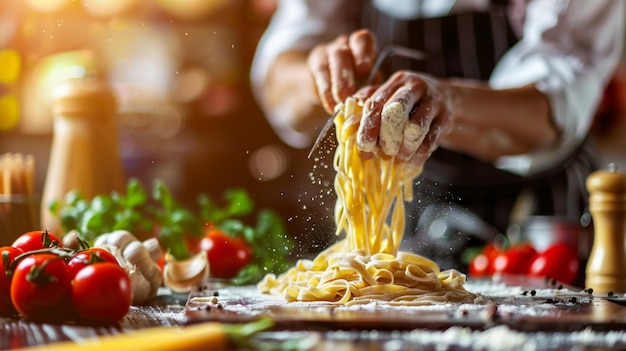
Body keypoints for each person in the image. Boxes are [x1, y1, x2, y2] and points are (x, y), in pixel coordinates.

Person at [250, 0, 625, 268]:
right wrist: (321, 79)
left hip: (536, 219)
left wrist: (449, 103)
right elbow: (280, 76)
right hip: (409, 213)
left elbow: (562, 101)